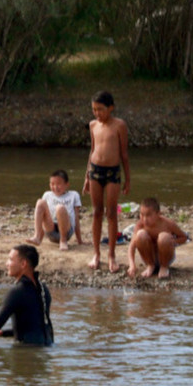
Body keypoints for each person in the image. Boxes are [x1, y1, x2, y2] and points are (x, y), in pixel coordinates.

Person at [84, 91, 130, 272]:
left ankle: (111, 255)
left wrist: (128, 180)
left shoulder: (119, 125)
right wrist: (86, 177)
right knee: (96, 212)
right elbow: (92, 150)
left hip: (113, 172)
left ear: (111, 108)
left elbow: (124, 154)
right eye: (94, 110)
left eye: (101, 109)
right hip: (95, 170)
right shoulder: (93, 125)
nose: (97, 113)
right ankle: (96, 254)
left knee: (111, 212)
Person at [126, 198, 190, 280]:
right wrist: (132, 265)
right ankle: (150, 266)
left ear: (158, 214)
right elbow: (131, 246)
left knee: (163, 237)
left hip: (166, 256)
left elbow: (184, 237)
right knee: (140, 235)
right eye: (142, 215)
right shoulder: (140, 225)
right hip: (148, 256)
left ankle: (164, 267)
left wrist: (172, 242)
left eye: (148, 215)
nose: (144, 219)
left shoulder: (167, 224)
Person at [32, 169, 83, 251]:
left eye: (59, 184)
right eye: (52, 184)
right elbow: (43, 216)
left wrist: (79, 240)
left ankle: (63, 241)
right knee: (40, 202)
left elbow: (76, 218)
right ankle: (37, 236)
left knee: (60, 208)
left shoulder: (73, 195)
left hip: (66, 231)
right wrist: (41, 236)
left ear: (67, 185)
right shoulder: (47, 194)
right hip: (51, 230)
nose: (55, 187)